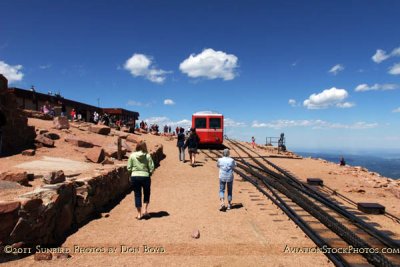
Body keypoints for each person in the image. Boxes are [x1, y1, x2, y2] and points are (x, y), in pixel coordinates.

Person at [127, 141, 155, 220]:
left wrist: (131, 173)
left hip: (135, 176)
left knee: (137, 194)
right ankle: (145, 210)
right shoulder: (147, 156)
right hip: (145, 176)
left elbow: (129, 167)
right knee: (146, 193)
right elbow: (151, 167)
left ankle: (139, 214)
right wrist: (149, 173)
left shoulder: (132, 155)